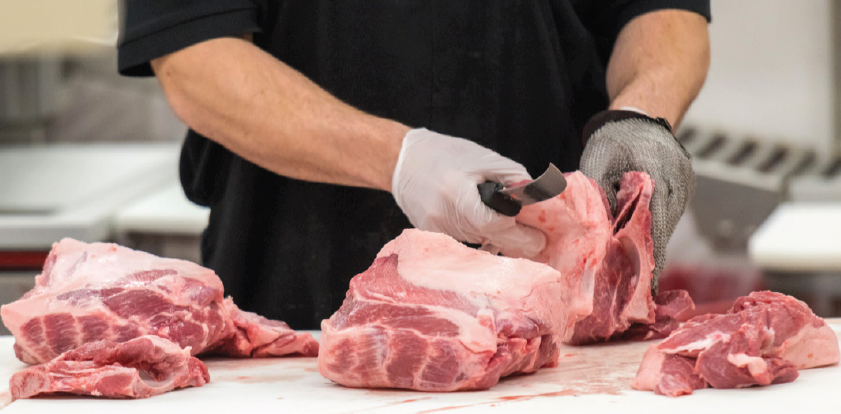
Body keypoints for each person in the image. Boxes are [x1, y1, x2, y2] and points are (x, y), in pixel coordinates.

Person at [117, 1, 711, 329]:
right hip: (292, 316)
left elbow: (663, 15)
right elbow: (194, 60)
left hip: (553, 302)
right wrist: (400, 159)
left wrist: (640, 114)